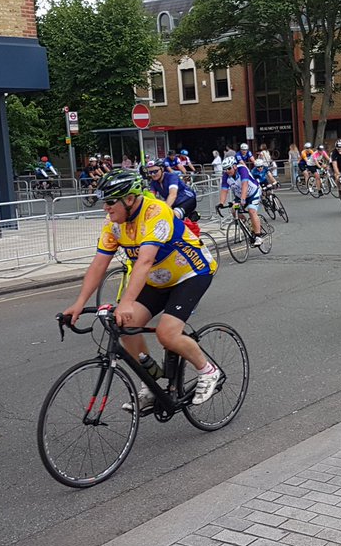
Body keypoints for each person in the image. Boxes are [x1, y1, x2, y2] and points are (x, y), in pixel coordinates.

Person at [61, 169, 221, 411]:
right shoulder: (114, 224)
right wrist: (79, 302)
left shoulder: (156, 212)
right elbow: (99, 264)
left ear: (129, 199)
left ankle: (208, 371)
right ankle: (152, 384)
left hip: (191, 273)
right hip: (158, 278)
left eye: (110, 201)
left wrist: (126, 302)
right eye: (104, 202)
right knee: (125, 326)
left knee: (167, 334)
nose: (106, 208)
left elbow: (144, 261)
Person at [218, 156, 265, 246]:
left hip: (253, 193)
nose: (227, 171)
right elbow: (224, 190)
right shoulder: (225, 176)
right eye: (225, 169)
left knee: (251, 211)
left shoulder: (242, 169)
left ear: (235, 166)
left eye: (228, 168)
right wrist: (221, 203)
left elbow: (245, 184)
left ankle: (258, 236)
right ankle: (247, 226)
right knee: (233, 210)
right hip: (240, 196)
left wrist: (243, 199)